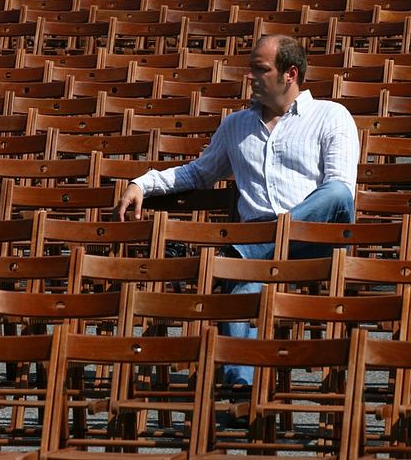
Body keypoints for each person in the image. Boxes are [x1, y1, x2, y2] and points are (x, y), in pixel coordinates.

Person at [114, 35, 360, 385]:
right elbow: (198, 172)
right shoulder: (235, 126)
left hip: (313, 243)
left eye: (260, 69)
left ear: (290, 74)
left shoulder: (331, 116)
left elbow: (341, 194)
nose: (250, 77)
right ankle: (240, 389)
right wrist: (143, 183)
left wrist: (272, 235)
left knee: (335, 192)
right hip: (258, 255)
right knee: (240, 292)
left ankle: (245, 250)